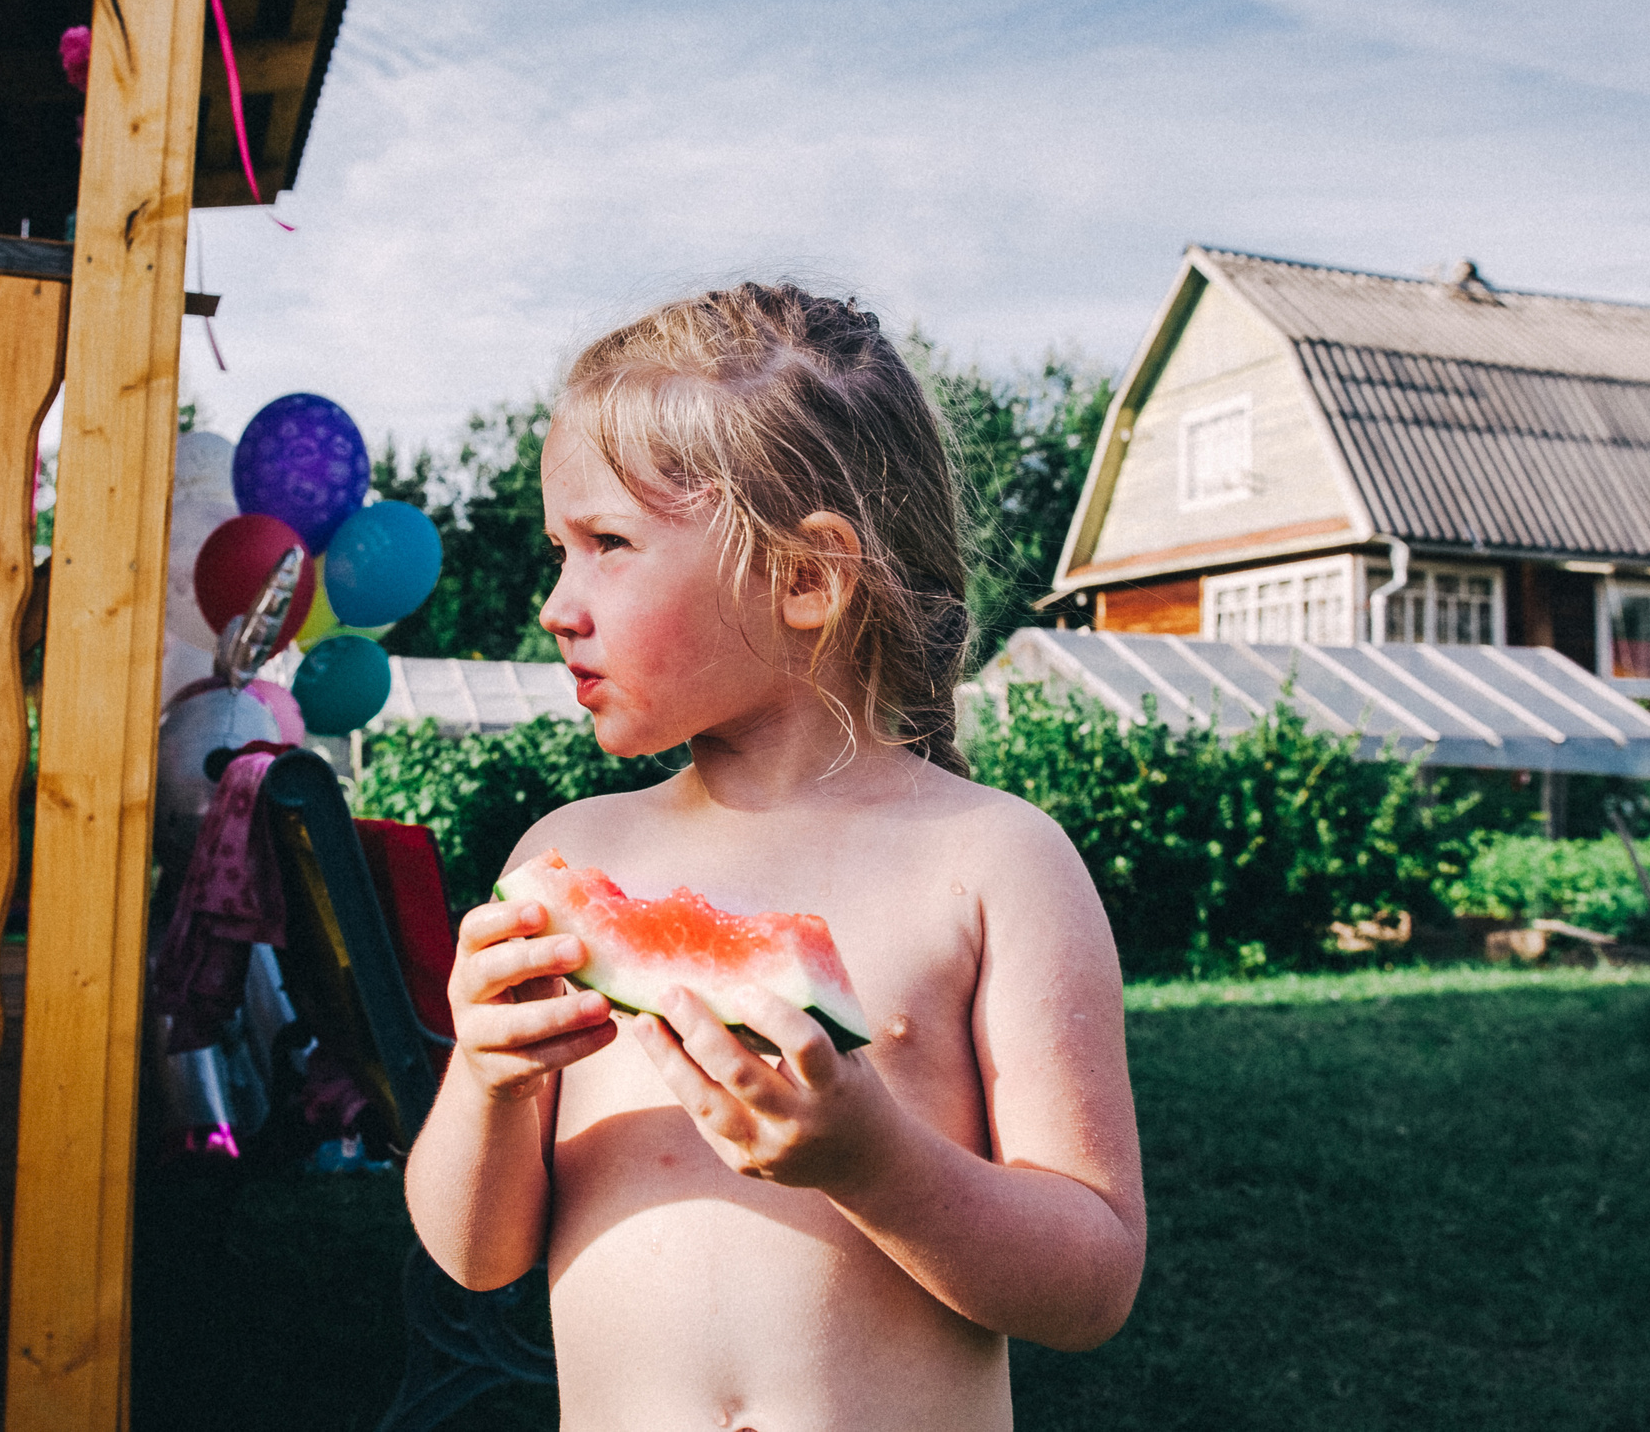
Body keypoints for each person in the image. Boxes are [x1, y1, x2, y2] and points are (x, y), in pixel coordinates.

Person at [403, 283, 1145, 1430]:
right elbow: (477, 1257)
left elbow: (1092, 1283)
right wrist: (489, 1082)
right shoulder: (567, 853)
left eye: (608, 544)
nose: (556, 603)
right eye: (559, 548)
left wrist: (873, 1163)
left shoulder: (994, 861)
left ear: (806, 577)